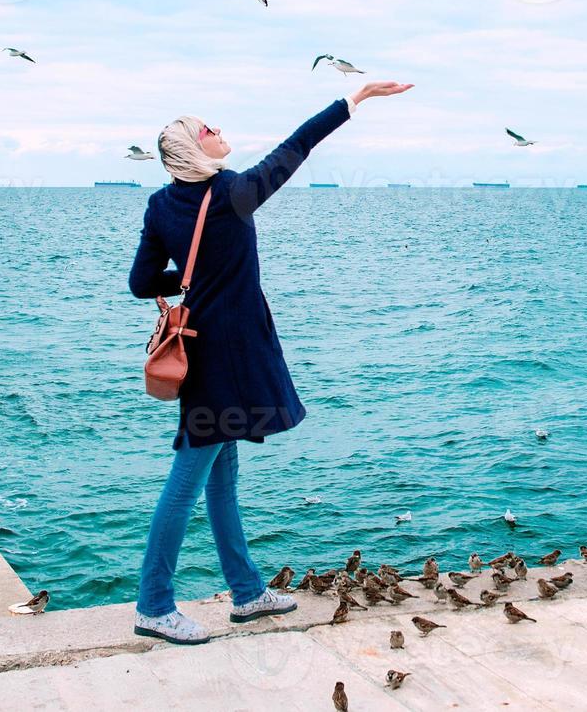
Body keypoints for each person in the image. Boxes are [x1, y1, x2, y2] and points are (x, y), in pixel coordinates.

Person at [127, 81, 413, 644]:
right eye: (205, 128)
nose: (215, 129)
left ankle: (247, 592)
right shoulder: (234, 192)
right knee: (186, 481)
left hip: (207, 355)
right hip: (227, 360)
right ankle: (153, 604)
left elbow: (141, 283)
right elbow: (295, 148)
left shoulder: (162, 204)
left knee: (221, 477)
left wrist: (190, 278)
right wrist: (352, 101)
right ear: (192, 148)